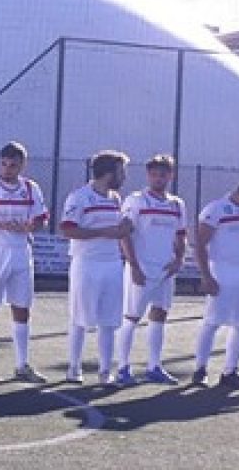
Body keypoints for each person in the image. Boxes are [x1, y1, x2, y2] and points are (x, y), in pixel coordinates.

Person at [0, 141, 50, 383]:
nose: (7, 169)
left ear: (22, 165)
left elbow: (41, 218)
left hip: (21, 252)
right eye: (4, 164)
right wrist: (0, 225)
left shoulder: (30, 188)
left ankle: (22, 365)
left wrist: (31, 226)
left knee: (22, 309)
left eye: (13, 165)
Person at [59, 150, 132, 384]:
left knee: (110, 320)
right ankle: (74, 368)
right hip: (86, 263)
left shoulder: (115, 198)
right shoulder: (79, 197)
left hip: (112, 264)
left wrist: (125, 228)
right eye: (121, 170)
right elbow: (68, 230)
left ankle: (104, 371)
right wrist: (104, 232)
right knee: (80, 318)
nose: (124, 176)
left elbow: (118, 230)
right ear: (109, 172)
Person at [115, 154, 187, 385]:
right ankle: (123, 368)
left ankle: (154, 366)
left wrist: (178, 260)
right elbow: (124, 234)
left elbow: (181, 235)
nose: (159, 178)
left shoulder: (177, 204)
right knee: (131, 317)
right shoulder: (136, 200)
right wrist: (133, 265)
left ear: (171, 175)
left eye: (163, 174)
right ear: (148, 175)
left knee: (159, 316)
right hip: (142, 269)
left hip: (165, 270)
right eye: (154, 174)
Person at [189, 172, 239, 388]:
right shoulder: (216, 209)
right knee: (212, 322)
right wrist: (206, 276)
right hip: (222, 272)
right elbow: (200, 245)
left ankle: (230, 371)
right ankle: (200, 370)